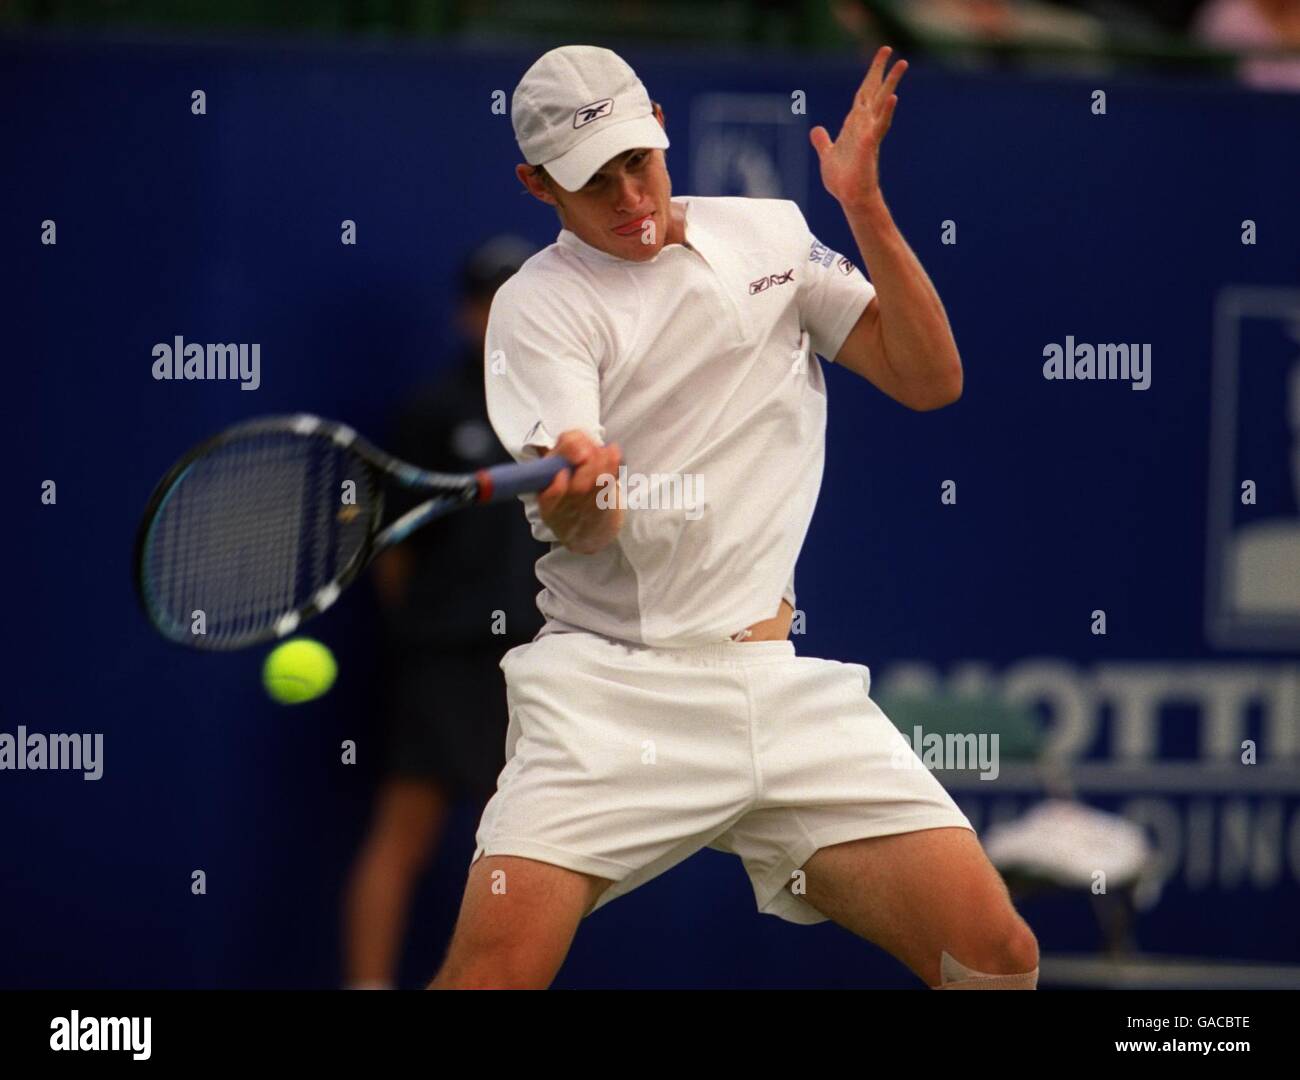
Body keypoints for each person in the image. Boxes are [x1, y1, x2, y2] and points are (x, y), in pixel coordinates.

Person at [430, 45, 1040, 990]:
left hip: (777, 686)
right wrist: (585, 490)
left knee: (995, 956)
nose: (630, 197)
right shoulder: (537, 309)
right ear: (536, 184)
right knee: (491, 980)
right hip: (608, 693)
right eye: (594, 182)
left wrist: (864, 207)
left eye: (637, 161)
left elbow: (930, 378)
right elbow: (584, 527)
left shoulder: (774, 237)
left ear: (661, 126)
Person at [343, 237, 546, 989]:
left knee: (519, 849)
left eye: (517, 295)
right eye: (490, 298)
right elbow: (391, 550)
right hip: (445, 657)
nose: (503, 313)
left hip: (536, 658)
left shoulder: (570, 405)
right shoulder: (432, 410)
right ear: (467, 313)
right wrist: (424, 632)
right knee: (404, 835)